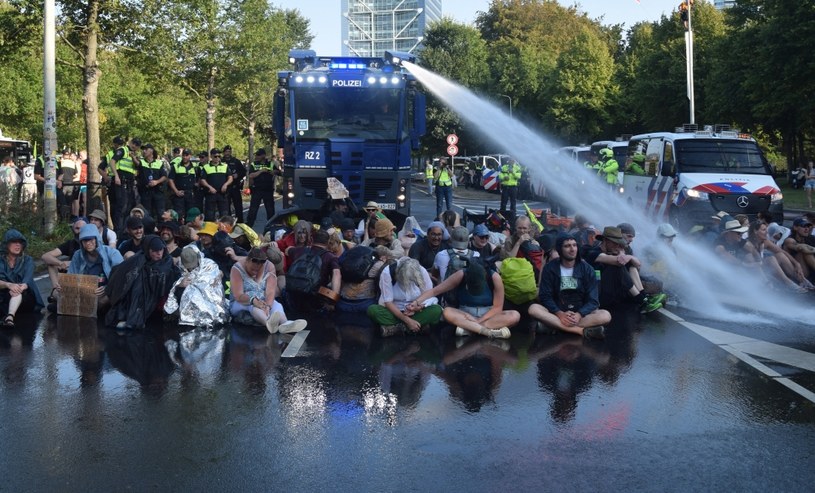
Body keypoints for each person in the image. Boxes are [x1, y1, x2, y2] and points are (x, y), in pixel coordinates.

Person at [410, 253, 519, 339]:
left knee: (514, 315)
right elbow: (435, 291)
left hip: (488, 315)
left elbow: (497, 307)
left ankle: (469, 329)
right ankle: (487, 332)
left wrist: (478, 321)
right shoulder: (461, 274)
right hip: (465, 314)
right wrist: (415, 303)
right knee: (447, 312)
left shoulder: (494, 277)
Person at [528, 234, 610, 339]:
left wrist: (579, 314)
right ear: (559, 249)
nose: (572, 249)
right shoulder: (550, 268)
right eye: (567, 246)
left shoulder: (587, 269)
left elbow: (593, 300)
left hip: (580, 313)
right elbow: (545, 296)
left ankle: (553, 327)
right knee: (533, 309)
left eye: (574, 245)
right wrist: (559, 313)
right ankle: (579, 330)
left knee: (605, 315)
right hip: (557, 311)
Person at [105, 236, 180, 330]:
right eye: (155, 251)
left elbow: (172, 276)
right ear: (148, 250)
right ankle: (131, 316)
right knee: (138, 279)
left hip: (160, 297)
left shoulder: (167, 261)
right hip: (143, 294)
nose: (159, 253)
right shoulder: (138, 259)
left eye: (161, 250)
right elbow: (120, 272)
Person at [584, 226, 666, 312]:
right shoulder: (594, 253)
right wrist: (623, 255)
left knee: (631, 266)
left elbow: (638, 264)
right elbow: (619, 262)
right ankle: (641, 301)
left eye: (618, 243)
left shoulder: (612, 252)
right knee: (619, 267)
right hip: (597, 295)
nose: (617, 245)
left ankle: (644, 297)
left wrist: (628, 257)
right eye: (615, 243)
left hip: (611, 292)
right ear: (605, 240)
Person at [230, 247, 307, 334]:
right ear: (247, 261)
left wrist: (268, 306)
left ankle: (285, 323)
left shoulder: (269, 266)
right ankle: (268, 322)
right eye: (253, 269)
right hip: (241, 302)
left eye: (258, 269)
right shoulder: (236, 269)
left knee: (276, 304)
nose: (255, 272)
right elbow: (238, 296)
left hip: (262, 300)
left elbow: (270, 291)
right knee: (254, 306)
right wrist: (253, 300)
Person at [367, 257, 443, 337]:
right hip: (394, 311)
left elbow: (428, 295)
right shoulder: (387, 272)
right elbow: (388, 302)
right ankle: (414, 327)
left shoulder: (422, 271)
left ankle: (397, 328)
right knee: (373, 310)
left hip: (415, 312)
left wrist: (419, 307)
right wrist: (407, 320)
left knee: (436, 310)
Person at [164, 244, 229, 326]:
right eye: (188, 266)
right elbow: (174, 285)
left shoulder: (209, 265)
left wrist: (218, 274)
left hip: (211, 297)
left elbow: (211, 282)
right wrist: (179, 284)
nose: (191, 269)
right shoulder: (179, 268)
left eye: (192, 265)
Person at [66, 223, 125, 313]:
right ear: (81, 242)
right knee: (56, 294)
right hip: (85, 291)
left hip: (107, 291)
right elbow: (71, 277)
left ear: (97, 239)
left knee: (99, 302)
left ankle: (96, 309)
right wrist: (63, 285)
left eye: (91, 239)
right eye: (85, 240)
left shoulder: (112, 253)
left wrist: (106, 288)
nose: (88, 243)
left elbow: (121, 277)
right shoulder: (78, 255)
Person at [743, 220, 809, 292]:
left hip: (762, 267)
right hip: (753, 272)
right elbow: (755, 265)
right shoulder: (748, 244)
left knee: (780, 255)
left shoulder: (765, 242)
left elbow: (783, 252)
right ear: (755, 231)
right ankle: (788, 283)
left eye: (766, 229)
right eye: (764, 230)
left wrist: (797, 264)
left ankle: (801, 280)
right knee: (770, 259)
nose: (767, 232)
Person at [285, 228, 341, 313]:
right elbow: (336, 274)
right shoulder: (330, 257)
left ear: (312, 239)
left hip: (294, 295)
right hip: (315, 298)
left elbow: (287, 250)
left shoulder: (300, 250)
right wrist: (333, 301)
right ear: (328, 242)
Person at [0, 229, 44, 326]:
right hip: (5, 296)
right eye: (14, 242)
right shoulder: (1, 260)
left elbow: (26, 282)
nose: (18, 245)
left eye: (20, 242)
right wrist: (8, 285)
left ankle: (10, 317)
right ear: (6, 244)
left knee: (17, 291)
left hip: (26, 297)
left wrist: (16, 288)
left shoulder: (28, 260)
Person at [41, 217, 87, 301]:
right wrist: (60, 263)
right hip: (71, 274)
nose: (80, 231)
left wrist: (71, 263)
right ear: (73, 229)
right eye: (77, 228)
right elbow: (45, 256)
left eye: (82, 228)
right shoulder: (71, 244)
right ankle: (56, 290)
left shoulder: (93, 242)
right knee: (51, 264)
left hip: (86, 274)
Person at [109, 137, 142, 233]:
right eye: (134, 143)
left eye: (137, 145)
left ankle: (125, 229)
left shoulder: (134, 155)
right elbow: (112, 161)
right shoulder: (123, 150)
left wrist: (133, 157)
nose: (134, 146)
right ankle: (118, 230)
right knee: (121, 206)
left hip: (130, 182)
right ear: (130, 142)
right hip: (121, 179)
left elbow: (138, 166)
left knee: (129, 206)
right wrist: (116, 176)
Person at [245, 148, 277, 228]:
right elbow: (251, 175)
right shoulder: (254, 164)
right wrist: (261, 171)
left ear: (263, 155)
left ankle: (271, 228)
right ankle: (249, 227)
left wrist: (274, 172)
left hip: (268, 190)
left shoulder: (270, 164)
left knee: (270, 211)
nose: (257, 156)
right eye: (256, 155)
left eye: (258, 155)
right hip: (257, 190)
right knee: (253, 211)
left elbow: (278, 172)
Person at [199, 148, 232, 221]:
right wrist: (209, 187)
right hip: (211, 194)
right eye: (215, 156)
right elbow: (202, 180)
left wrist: (226, 184)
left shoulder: (225, 166)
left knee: (224, 215)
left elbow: (230, 177)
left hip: (222, 194)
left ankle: (224, 231)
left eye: (219, 156)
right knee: (209, 215)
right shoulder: (206, 167)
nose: (217, 158)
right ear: (211, 156)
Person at [137, 144, 167, 220]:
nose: (144, 151)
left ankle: (161, 229)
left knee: (160, 212)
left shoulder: (159, 163)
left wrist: (156, 182)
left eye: (146, 149)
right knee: (147, 213)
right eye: (143, 150)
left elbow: (164, 176)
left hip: (157, 191)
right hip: (145, 192)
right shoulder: (141, 162)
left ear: (151, 151)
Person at [168, 149, 198, 219]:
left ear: (190, 156)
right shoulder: (176, 166)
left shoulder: (195, 167)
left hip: (190, 194)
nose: (184, 157)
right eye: (183, 155)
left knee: (190, 214)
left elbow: (200, 178)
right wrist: (176, 191)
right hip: (179, 193)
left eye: (186, 155)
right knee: (178, 214)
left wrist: (196, 185)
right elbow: (170, 180)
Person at [222, 145, 247, 223]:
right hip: (225, 187)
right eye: (226, 152)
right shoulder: (221, 162)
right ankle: (228, 222)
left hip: (235, 186)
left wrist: (238, 175)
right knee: (226, 207)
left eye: (229, 152)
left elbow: (243, 171)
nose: (228, 153)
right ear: (224, 152)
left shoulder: (236, 161)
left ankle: (240, 222)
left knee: (238, 206)